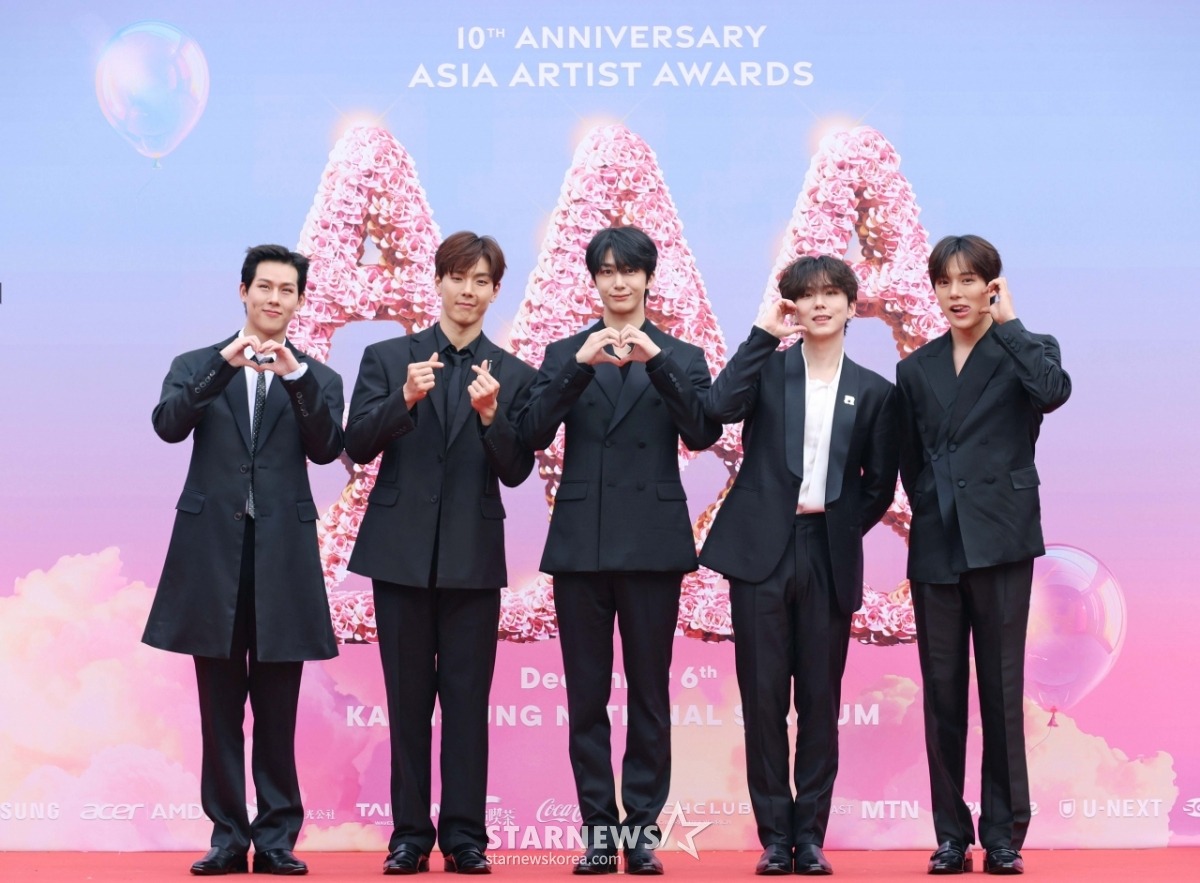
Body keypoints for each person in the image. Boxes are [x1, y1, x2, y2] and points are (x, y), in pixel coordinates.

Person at [519, 225, 721, 876]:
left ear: (648, 277)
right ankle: (598, 831)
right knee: (586, 698)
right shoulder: (565, 352)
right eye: (606, 271)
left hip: (653, 546)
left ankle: (641, 831)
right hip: (582, 544)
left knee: (650, 696)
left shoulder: (680, 354)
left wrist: (655, 360)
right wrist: (578, 368)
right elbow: (530, 432)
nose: (618, 281)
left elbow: (703, 430)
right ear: (594, 280)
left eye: (629, 270)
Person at [143, 244, 345, 876]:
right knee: (220, 709)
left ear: (299, 301)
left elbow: (326, 447)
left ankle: (277, 837)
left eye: (287, 290)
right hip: (214, 559)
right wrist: (224, 366)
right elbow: (168, 425)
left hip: (283, 561)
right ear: (243, 292)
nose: (274, 299)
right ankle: (229, 837)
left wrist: (295, 377)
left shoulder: (316, 377)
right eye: (265, 287)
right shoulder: (197, 364)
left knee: (279, 712)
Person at [344, 231, 536, 876]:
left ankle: (465, 837)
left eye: (481, 281)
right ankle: (408, 836)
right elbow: (356, 444)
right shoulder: (387, 358)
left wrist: (491, 416)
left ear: (495, 292)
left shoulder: (512, 374)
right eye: (458, 277)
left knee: (466, 705)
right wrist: (403, 399)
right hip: (399, 557)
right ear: (438, 281)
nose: (467, 291)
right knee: (406, 705)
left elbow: (516, 470)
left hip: (472, 560)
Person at [700, 255, 898, 876]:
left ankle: (809, 836)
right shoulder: (767, 370)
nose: (819, 304)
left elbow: (878, 485)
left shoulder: (875, 391)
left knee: (819, 700)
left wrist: (838, 528)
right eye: (806, 295)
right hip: (760, 550)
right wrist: (762, 333)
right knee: (763, 700)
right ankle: (773, 837)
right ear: (791, 305)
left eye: (831, 293)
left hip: (826, 550)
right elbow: (717, 407)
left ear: (850, 305)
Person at [896, 235, 1070, 876]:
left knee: (1000, 690)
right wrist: (932, 504)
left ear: (992, 286)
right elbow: (909, 460)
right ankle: (950, 835)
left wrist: (1011, 322)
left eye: (969, 280)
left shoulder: (1029, 348)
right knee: (942, 695)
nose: (956, 293)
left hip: (1001, 539)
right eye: (945, 282)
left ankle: (1003, 835)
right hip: (937, 544)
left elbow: (1051, 392)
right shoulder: (916, 368)